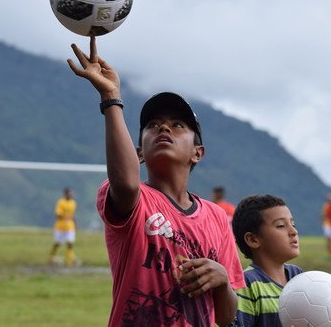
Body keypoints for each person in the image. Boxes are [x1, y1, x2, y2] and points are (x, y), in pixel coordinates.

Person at [67, 36, 244, 326]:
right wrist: (111, 98)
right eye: (152, 125)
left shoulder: (215, 217)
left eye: (178, 125)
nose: (163, 127)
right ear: (139, 153)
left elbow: (226, 318)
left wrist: (223, 281)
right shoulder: (135, 201)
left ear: (197, 153)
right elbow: (125, 184)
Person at [232, 194, 331, 326]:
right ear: (253, 239)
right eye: (281, 225)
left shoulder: (298, 277)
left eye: (293, 224)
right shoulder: (247, 285)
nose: (294, 231)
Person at [49, 187, 77, 266]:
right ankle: (51, 257)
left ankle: (69, 261)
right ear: (65, 194)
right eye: (68, 194)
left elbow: (73, 215)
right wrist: (66, 217)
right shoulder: (61, 202)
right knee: (57, 243)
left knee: (70, 243)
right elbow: (58, 214)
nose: (70, 195)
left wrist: (75, 224)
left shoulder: (73, 203)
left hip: (70, 227)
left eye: (71, 194)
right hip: (60, 227)